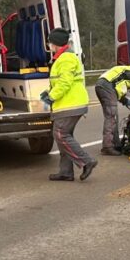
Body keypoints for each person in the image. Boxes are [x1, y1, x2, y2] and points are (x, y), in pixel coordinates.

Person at [40, 28, 97, 182]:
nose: (48, 44)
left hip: (70, 104)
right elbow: (61, 82)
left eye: (50, 42)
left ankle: (87, 161)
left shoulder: (66, 58)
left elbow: (66, 82)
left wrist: (50, 97)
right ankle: (65, 172)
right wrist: (48, 93)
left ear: (55, 43)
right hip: (67, 103)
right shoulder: (62, 58)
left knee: (60, 135)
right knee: (64, 137)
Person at [95, 63, 130, 155]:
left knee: (113, 117)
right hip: (106, 86)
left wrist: (125, 100)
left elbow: (116, 86)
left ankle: (116, 145)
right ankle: (107, 147)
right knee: (111, 117)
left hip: (102, 85)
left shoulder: (129, 71)